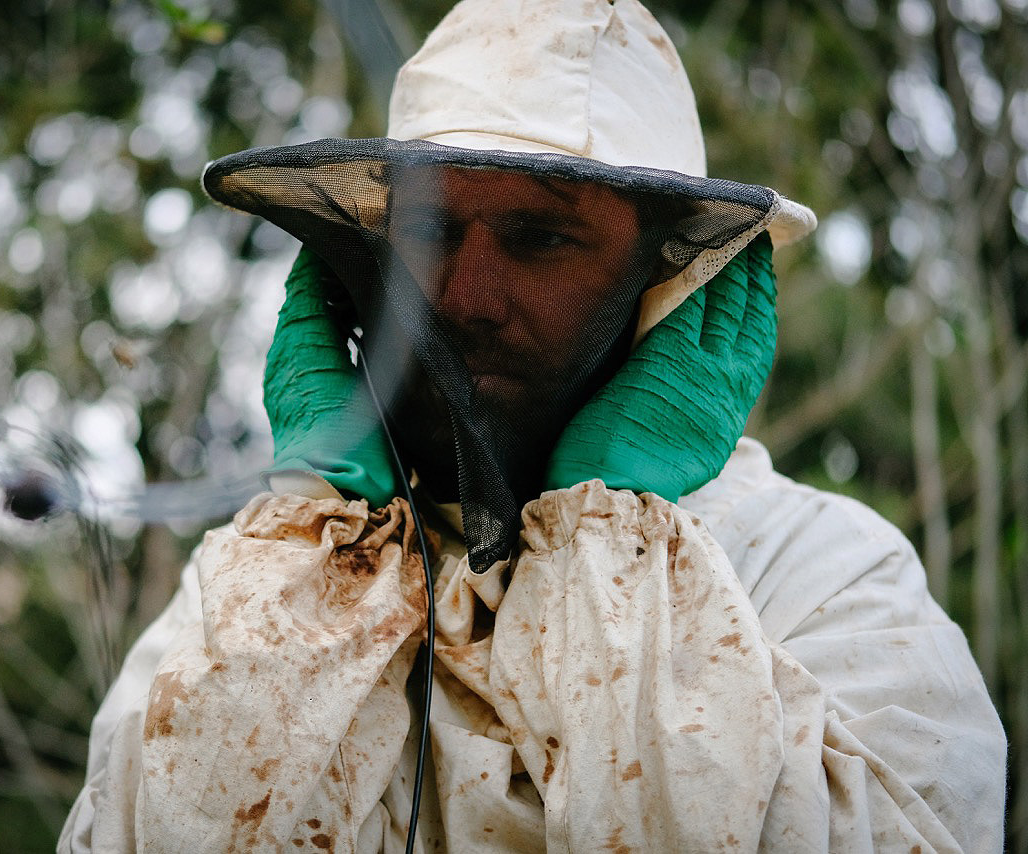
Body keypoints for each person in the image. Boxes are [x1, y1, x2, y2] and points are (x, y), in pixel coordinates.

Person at [60, 0, 1007, 851]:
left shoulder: (822, 574)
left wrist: (613, 533)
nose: (462, 297)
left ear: (666, 280)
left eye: (540, 237)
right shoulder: (246, 590)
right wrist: (323, 536)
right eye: (429, 233)